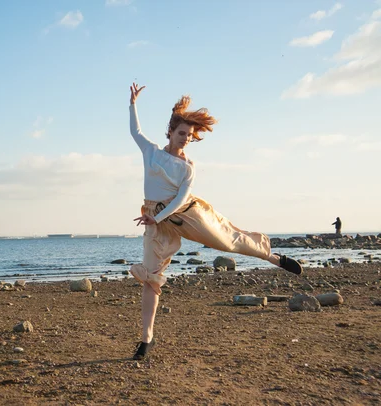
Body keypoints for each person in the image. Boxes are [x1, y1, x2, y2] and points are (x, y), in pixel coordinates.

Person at [127, 83, 303, 361]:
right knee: (151, 278)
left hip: (185, 214)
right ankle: (146, 338)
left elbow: (181, 199)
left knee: (228, 241)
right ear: (170, 132)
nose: (185, 138)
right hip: (154, 221)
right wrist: (133, 103)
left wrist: (157, 216)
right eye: (181, 133)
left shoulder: (188, 168)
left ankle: (272, 256)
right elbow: (135, 131)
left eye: (189, 135)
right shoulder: (150, 152)